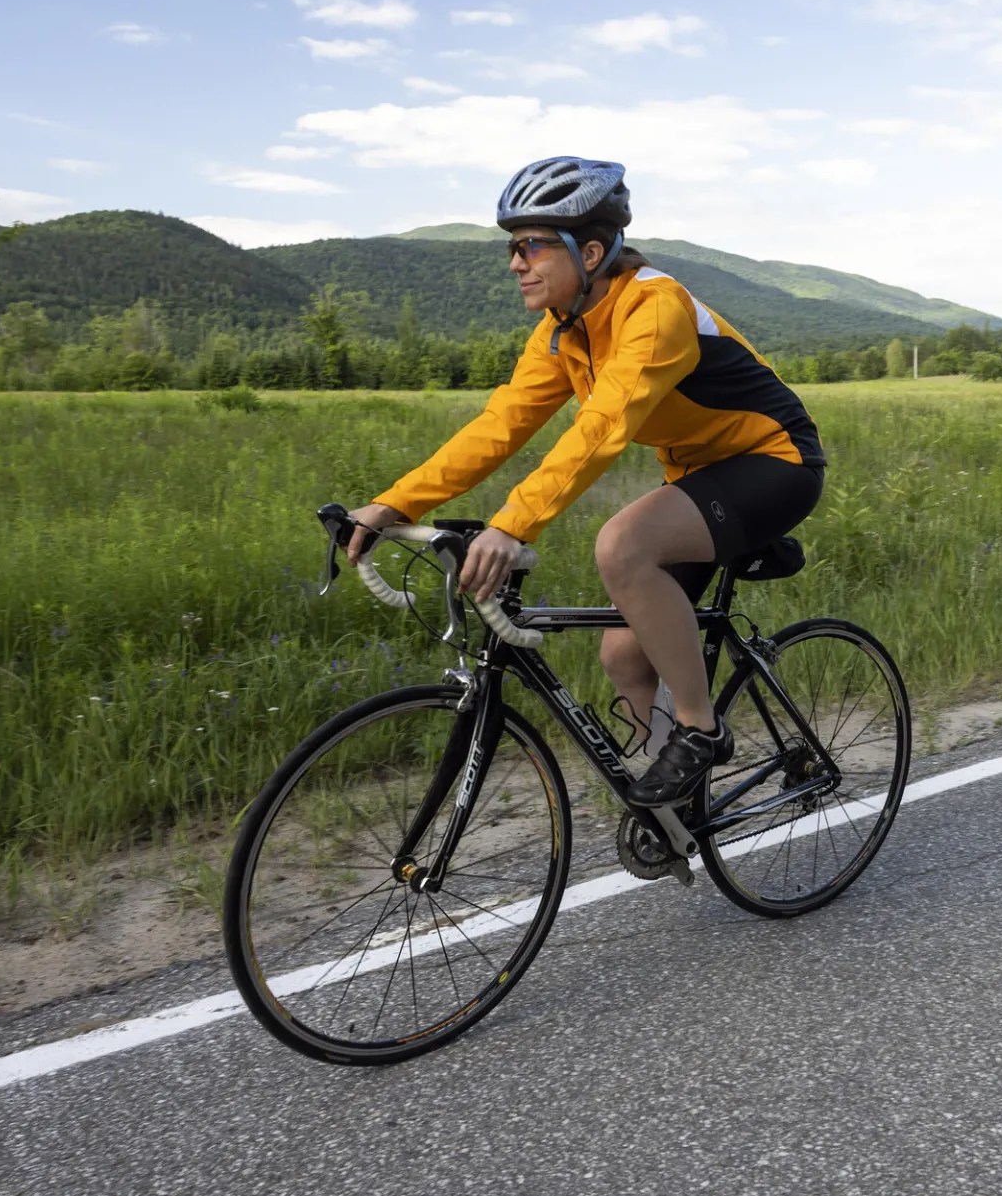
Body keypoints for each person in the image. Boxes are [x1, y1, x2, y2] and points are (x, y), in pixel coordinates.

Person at [346, 157, 826, 805]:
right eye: (512, 246)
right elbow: (500, 427)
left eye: (530, 245)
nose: (514, 261)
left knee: (622, 546)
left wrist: (512, 524)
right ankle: (678, 810)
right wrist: (392, 502)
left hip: (776, 462)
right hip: (700, 473)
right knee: (624, 657)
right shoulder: (564, 332)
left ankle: (699, 729)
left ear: (591, 249)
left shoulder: (656, 309)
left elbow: (602, 429)